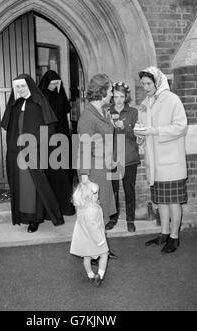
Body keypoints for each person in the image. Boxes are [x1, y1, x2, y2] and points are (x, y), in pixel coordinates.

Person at [1, 74, 72, 233]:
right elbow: (9, 130)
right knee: (21, 185)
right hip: (18, 153)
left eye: (23, 86)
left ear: (30, 86)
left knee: (35, 186)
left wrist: (37, 147)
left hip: (35, 152)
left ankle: (35, 219)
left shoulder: (39, 103)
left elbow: (48, 129)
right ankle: (23, 216)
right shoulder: (15, 105)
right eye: (17, 86)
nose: (20, 89)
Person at [134, 67, 188, 254]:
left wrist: (154, 131)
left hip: (171, 160)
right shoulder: (145, 103)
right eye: (143, 84)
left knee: (174, 202)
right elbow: (144, 129)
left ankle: (174, 237)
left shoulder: (172, 100)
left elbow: (181, 127)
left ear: (157, 82)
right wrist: (140, 135)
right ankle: (164, 232)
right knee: (161, 201)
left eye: (148, 84)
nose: (145, 87)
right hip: (154, 161)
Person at [77, 73, 118, 260]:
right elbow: (84, 148)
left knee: (100, 215)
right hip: (93, 171)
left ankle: (101, 250)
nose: (111, 94)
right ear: (101, 92)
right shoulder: (88, 116)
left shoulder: (102, 111)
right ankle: (93, 254)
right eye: (110, 91)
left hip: (103, 168)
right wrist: (85, 179)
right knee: (92, 216)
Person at [105, 82, 140, 233]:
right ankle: (113, 218)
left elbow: (137, 135)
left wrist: (124, 128)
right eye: (116, 96)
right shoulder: (106, 111)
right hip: (112, 156)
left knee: (129, 190)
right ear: (112, 96)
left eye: (122, 96)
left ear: (126, 97)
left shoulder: (133, 112)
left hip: (128, 156)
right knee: (113, 190)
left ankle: (130, 220)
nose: (118, 99)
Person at [38, 70, 76, 187]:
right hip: (48, 133)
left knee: (64, 161)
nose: (54, 86)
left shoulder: (60, 94)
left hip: (62, 130)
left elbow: (65, 112)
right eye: (52, 84)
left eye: (56, 84)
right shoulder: (41, 96)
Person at [70, 182, 109, 286]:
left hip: (84, 238)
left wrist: (95, 203)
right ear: (89, 196)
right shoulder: (92, 210)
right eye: (96, 193)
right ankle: (100, 275)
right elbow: (94, 228)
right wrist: (100, 240)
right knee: (104, 255)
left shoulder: (82, 206)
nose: (98, 195)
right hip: (95, 239)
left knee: (87, 258)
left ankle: (90, 275)